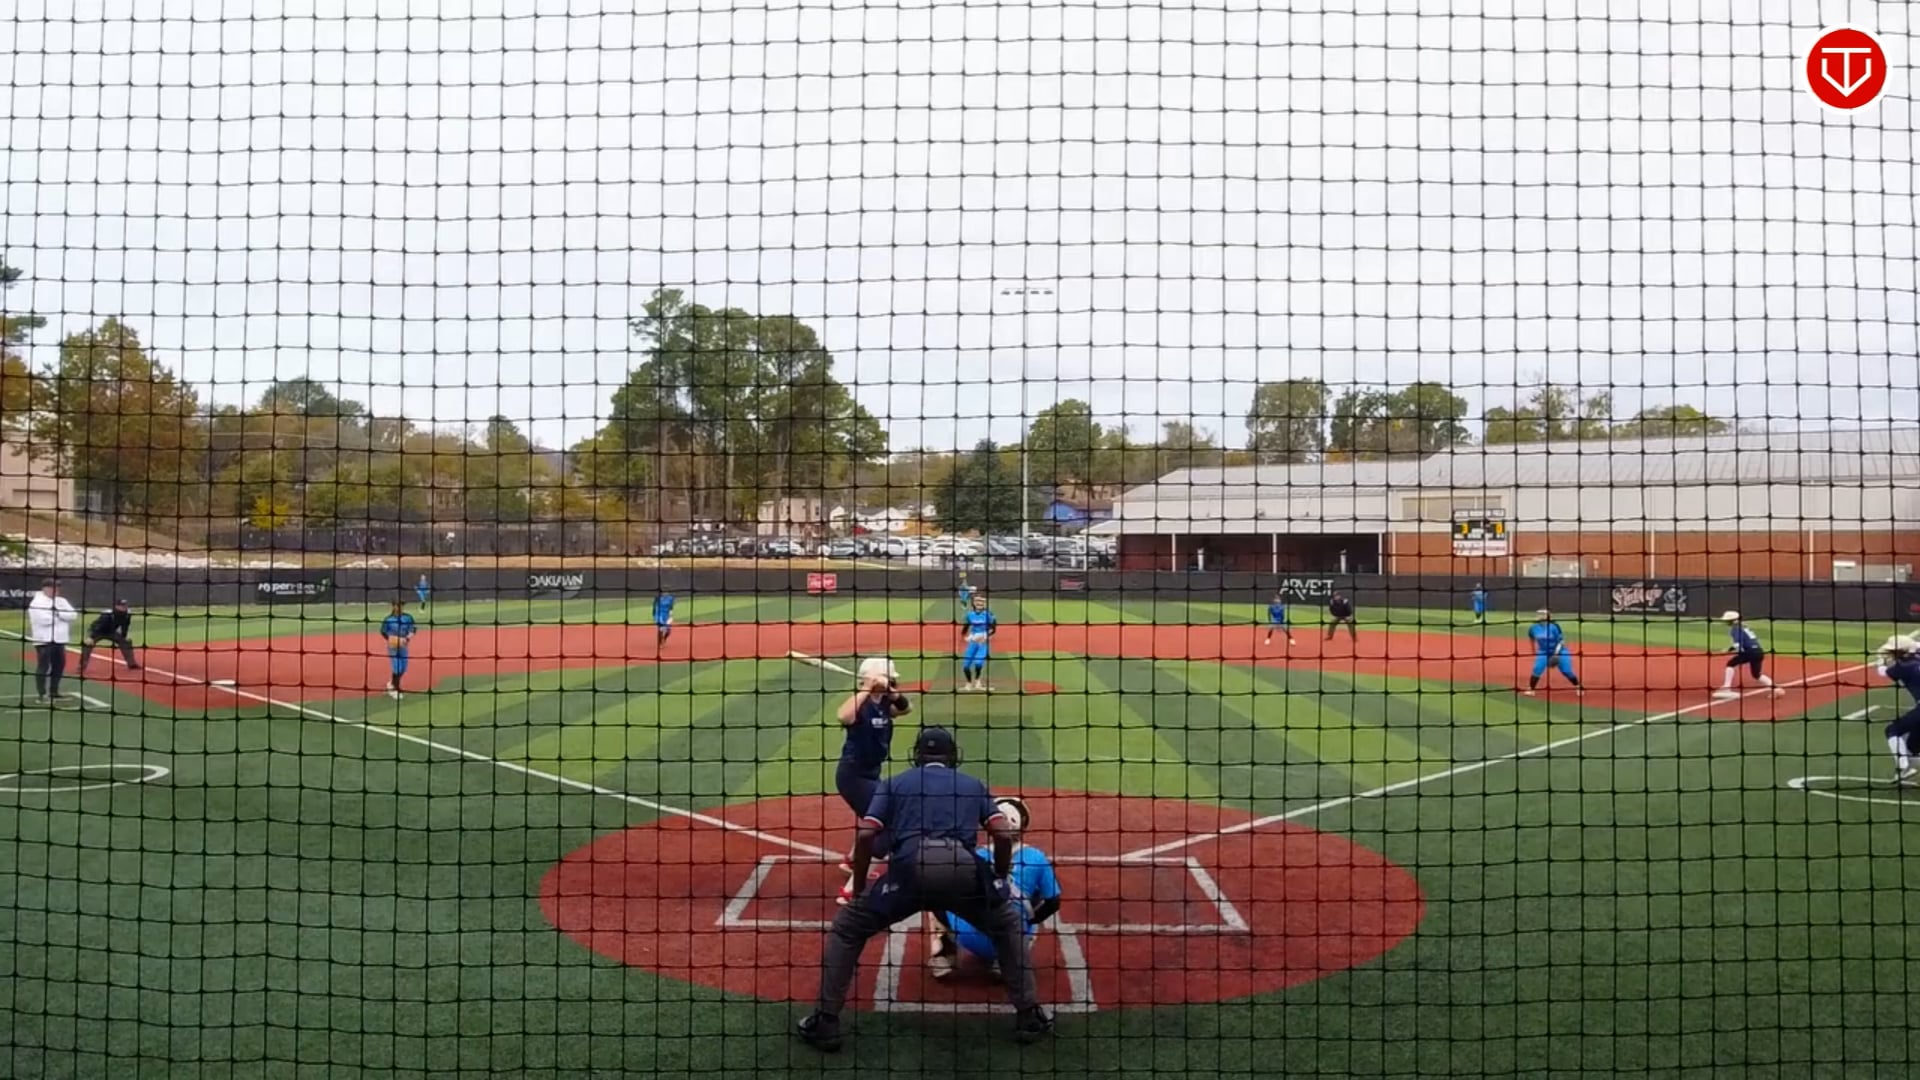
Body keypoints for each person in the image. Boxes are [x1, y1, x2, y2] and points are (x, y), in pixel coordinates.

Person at [797, 727, 1054, 1051]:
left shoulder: (894, 783)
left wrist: (859, 888)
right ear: (953, 757)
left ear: (916, 755)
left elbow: (865, 835)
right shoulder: (972, 784)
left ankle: (826, 1023)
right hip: (962, 872)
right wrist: (998, 878)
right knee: (1008, 925)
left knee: (848, 928)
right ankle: (1029, 1017)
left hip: (910, 872)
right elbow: (1002, 834)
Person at [926, 794, 1062, 981]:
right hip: (1013, 936)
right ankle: (1006, 959)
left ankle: (943, 956)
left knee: (937, 895)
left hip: (969, 937)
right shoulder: (1036, 857)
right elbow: (1053, 903)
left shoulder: (976, 854)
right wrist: (1030, 920)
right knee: (1034, 900)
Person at [834, 656, 912, 903]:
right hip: (853, 776)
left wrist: (890, 691)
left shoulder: (885, 703)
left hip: (872, 774)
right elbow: (843, 716)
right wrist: (867, 687)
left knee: (876, 817)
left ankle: (851, 861)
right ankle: (852, 889)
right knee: (890, 823)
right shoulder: (862, 702)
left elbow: (906, 708)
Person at [25, 577, 79, 706]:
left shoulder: (62, 601)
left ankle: (54, 692)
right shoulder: (37, 603)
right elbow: (44, 620)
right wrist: (61, 616)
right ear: (45, 588)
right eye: (53, 587)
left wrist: (58, 614)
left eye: (58, 587)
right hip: (44, 640)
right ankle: (42, 694)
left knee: (59, 665)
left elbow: (73, 615)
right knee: (43, 667)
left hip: (60, 639)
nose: (56, 590)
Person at [1876, 635, 1920, 785]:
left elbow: (1882, 672)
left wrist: (1881, 662)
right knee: (1912, 747)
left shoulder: (1902, 668)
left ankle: (1903, 767)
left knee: (1893, 730)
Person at [1715, 612, 1784, 699]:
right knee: (1756, 674)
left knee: (1730, 664)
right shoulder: (1744, 627)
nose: (1726, 622)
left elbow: (1738, 644)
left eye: (1727, 621)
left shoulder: (1735, 629)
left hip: (1749, 652)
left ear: (1731, 621)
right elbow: (1747, 641)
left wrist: (1739, 652)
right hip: (1758, 652)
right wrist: (1729, 649)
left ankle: (1726, 688)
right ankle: (1776, 689)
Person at [1524, 609, 1583, 697]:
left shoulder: (1554, 626)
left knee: (1566, 671)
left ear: (1548, 616)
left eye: (1543, 614)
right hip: (1543, 651)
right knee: (1537, 668)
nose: (1540, 616)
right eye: (1539, 614)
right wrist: (1533, 650)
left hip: (1560, 651)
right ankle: (1531, 690)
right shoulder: (1533, 628)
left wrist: (1556, 654)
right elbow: (1531, 637)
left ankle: (1578, 686)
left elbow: (1561, 641)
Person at [77, 599, 140, 675]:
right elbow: (99, 626)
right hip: (97, 631)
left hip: (111, 631)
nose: (124, 607)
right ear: (116, 606)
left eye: (125, 605)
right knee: (88, 645)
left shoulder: (127, 614)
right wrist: (91, 637)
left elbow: (125, 625)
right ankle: (81, 667)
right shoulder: (108, 614)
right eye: (122, 606)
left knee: (126, 642)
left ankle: (132, 664)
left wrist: (124, 636)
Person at [380, 599, 418, 701]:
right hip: (393, 646)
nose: (400, 607)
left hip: (403, 645)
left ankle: (392, 683)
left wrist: (407, 638)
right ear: (393, 606)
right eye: (398, 605)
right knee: (397, 667)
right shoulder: (388, 619)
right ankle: (395, 689)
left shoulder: (408, 617)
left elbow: (413, 629)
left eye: (402, 605)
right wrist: (391, 639)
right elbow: (383, 631)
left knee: (403, 668)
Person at [960, 592, 998, 691]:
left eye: (981, 601)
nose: (979, 603)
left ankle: (978, 683)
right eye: (977, 601)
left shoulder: (989, 615)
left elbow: (993, 629)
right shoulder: (970, 615)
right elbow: (965, 627)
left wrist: (985, 635)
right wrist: (965, 637)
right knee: (966, 665)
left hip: (982, 643)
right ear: (973, 602)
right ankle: (968, 684)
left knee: (978, 663)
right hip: (973, 642)